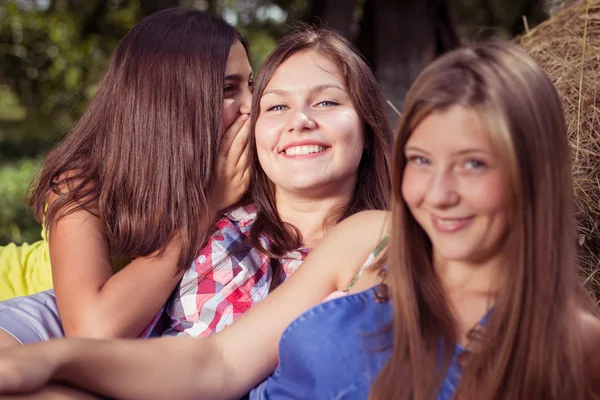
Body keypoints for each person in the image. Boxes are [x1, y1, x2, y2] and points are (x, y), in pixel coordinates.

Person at [2, 41, 599, 400]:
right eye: (421, 160)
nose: (439, 192)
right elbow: (216, 362)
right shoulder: (367, 238)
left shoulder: (572, 341)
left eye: (472, 163)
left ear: (531, 174)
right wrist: (55, 357)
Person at [0, 8, 253, 345]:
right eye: (227, 89)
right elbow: (95, 331)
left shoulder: (233, 168)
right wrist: (207, 207)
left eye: (251, 84)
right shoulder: (83, 181)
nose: (253, 105)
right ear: (170, 102)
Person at [162, 26, 391, 337]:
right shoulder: (199, 226)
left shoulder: (398, 246)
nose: (300, 121)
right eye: (277, 107)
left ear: (367, 127)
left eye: (326, 102)